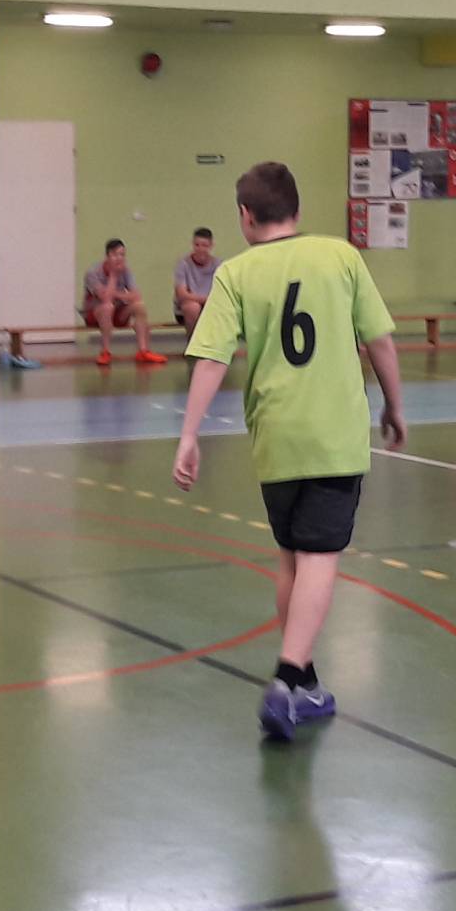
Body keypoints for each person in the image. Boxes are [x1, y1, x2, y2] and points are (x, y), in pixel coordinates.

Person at [174, 162, 407, 742]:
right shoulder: (341, 256)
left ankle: (306, 682)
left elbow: (212, 357)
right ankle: (284, 680)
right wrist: (394, 406)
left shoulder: (235, 272)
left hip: (275, 434)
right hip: (334, 435)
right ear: (297, 210)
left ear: (245, 216)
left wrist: (189, 434)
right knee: (320, 558)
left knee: (289, 559)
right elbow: (379, 340)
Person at [84, 239, 167, 366]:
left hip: (118, 311)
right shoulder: (92, 273)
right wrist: (113, 275)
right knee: (107, 307)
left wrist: (117, 294)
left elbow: (136, 295)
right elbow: (105, 298)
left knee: (139, 306)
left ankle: (143, 351)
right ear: (107, 256)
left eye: (122, 255)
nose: (119, 258)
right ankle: (105, 352)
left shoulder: (126, 270)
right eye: (115, 255)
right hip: (95, 313)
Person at [174, 227, 220, 334]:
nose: (200, 249)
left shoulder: (219, 265)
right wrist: (206, 299)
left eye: (204, 245)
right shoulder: (183, 265)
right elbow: (182, 294)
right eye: (197, 245)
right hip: (187, 308)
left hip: (211, 305)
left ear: (211, 246)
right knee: (193, 307)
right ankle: (194, 341)